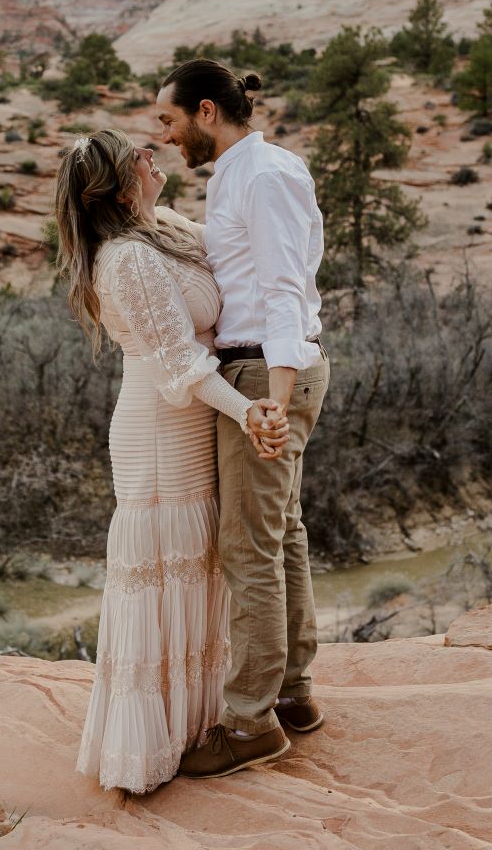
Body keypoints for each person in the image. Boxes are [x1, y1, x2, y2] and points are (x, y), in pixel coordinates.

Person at [57, 128, 290, 795]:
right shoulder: (126, 260)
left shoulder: (163, 226)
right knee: (166, 569)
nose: (152, 157)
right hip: (162, 428)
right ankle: (145, 743)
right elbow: (179, 366)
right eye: (140, 157)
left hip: (193, 419)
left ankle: (196, 720)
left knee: (201, 566)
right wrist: (249, 412)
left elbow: (236, 252)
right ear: (116, 185)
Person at [153, 59, 330, 781]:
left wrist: (273, 402)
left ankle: (249, 721)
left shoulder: (264, 176)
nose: (162, 137)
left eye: (166, 121)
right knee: (279, 530)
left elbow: (286, 289)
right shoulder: (239, 173)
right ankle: (293, 695)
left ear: (203, 111)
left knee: (248, 545)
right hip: (259, 369)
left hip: (265, 372)